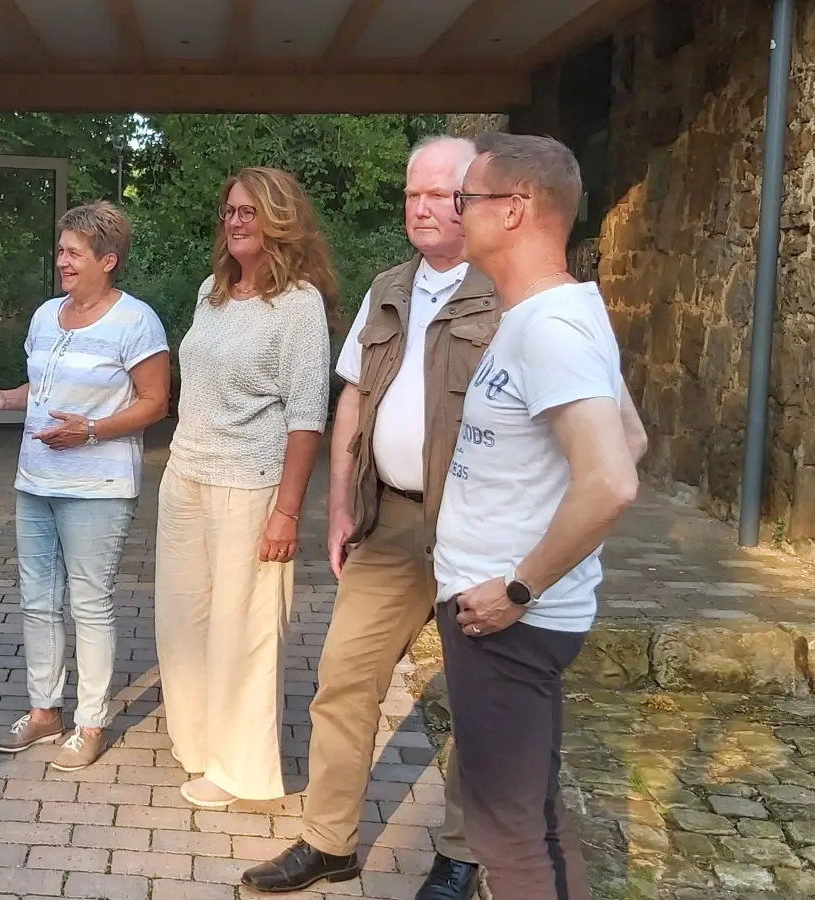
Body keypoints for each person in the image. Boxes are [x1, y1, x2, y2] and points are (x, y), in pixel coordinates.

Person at [242, 136, 491, 898]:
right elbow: (352, 394)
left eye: (437, 193)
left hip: (481, 528)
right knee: (344, 677)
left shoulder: (509, 293)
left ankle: (462, 855)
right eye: (412, 194)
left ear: (475, 199)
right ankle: (329, 842)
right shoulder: (390, 287)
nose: (420, 207)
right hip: (392, 522)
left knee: (478, 697)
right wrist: (342, 503)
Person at [434, 132, 644, 900]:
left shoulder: (551, 327)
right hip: (498, 608)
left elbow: (612, 479)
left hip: (507, 619)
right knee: (529, 818)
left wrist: (519, 587)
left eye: (465, 199)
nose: (454, 214)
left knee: (509, 835)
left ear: (514, 209)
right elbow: (632, 435)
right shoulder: (551, 314)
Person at [0, 202, 170, 771]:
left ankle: (91, 722)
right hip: (36, 480)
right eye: (60, 251)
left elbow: (156, 401)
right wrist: (4, 398)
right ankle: (44, 711)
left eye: (74, 253)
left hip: (97, 486)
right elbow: (43, 387)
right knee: (37, 601)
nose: (62, 262)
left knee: (89, 604)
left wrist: (92, 430)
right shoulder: (47, 316)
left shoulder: (136, 321)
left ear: (108, 259)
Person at [154, 167, 333, 810]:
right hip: (185, 475)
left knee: (244, 631)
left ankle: (241, 770)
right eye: (229, 210)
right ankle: (199, 744)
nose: (234, 221)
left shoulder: (300, 305)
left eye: (248, 211)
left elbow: (307, 416)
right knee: (183, 622)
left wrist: (288, 512)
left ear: (279, 220)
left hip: (250, 484)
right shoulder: (212, 291)